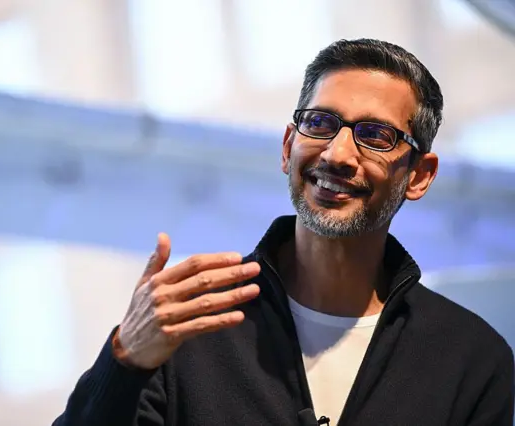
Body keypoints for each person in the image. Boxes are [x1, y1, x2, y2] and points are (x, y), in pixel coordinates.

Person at [52, 39, 514, 426]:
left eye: (375, 135)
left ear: (419, 176)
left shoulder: (470, 359)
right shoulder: (189, 327)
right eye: (320, 124)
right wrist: (125, 361)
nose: (336, 154)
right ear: (289, 146)